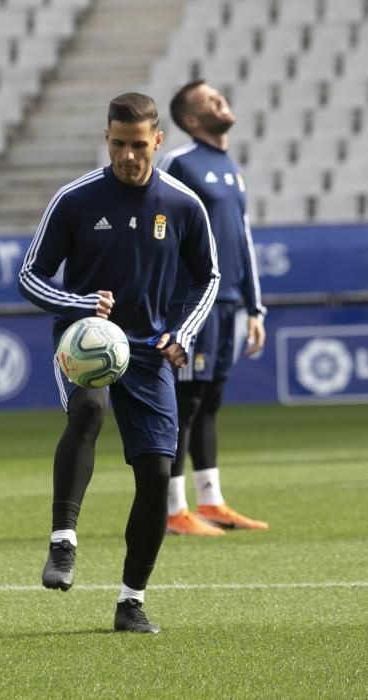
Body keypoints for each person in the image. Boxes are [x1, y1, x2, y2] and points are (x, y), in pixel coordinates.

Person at [18, 92, 220, 633]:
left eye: (137, 146)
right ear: (105, 140)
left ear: (157, 140)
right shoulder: (76, 199)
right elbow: (29, 276)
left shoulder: (182, 204)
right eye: (117, 145)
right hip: (84, 340)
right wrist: (80, 304)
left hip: (151, 350)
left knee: (157, 472)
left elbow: (208, 277)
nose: (127, 156)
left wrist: (183, 331)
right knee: (88, 410)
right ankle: (63, 542)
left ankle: (131, 602)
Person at [157, 80, 269, 536]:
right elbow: (156, 225)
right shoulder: (179, 163)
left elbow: (242, 240)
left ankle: (212, 502)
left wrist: (254, 308)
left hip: (227, 307)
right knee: (185, 403)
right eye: (209, 98)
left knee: (211, 402)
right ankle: (173, 510)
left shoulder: (231, 168)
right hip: (192, 304)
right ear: (190, 119)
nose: (220, 98)